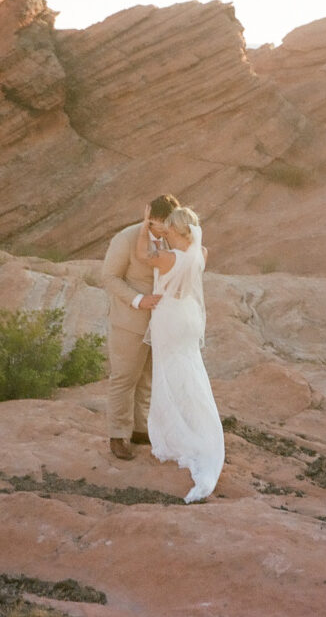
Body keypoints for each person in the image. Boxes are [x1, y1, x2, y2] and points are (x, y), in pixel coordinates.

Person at [135, 204, 224, 503]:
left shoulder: (165, 256)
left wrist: (144, 225)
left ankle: (175, 434)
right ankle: (201, 428)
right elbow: (183, 262)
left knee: (167, 373)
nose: (167, 233)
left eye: (170, 229)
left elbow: (140, 256)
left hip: (169, 318)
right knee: (191, 372)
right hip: (189, 316)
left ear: (178, 230)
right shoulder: (202, 254)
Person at [100, 194, 180, 460]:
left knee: (146, 377)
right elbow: (109, 277)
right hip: (129, 321)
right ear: (150, 219)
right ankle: (118, 435)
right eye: (160, 226)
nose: (166, 231)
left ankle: (138, 428)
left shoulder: (173, 236)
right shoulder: (126, 238)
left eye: (169, 225)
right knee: (124, 377)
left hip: (160, 323)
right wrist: (139, 300)